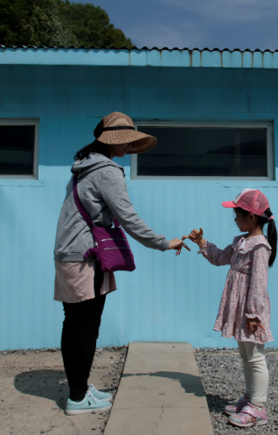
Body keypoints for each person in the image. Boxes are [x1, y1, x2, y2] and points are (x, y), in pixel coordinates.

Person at [54, 112, 189, 416]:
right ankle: (77, 397)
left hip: (68, 255)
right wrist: (164, 242)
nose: (128, 145)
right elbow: (128, 217)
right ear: (111, 141)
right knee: (86, 326)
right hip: (86, 257)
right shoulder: (107, 171)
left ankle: (79, 386)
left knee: (73, 324)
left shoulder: (83, 167)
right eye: (124, 139)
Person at [184, 188, 278, 428]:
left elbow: (258, 283)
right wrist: (202, 242)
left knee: (256, 356)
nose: (234, 219)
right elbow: (219, 258)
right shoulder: (242, 242)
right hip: (241, 310)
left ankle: (258, 407)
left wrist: (254, 314)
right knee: (246, 355)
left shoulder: (259, 247)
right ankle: (250, 398)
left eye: (237, 214)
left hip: (250, 312)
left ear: (251, 217)